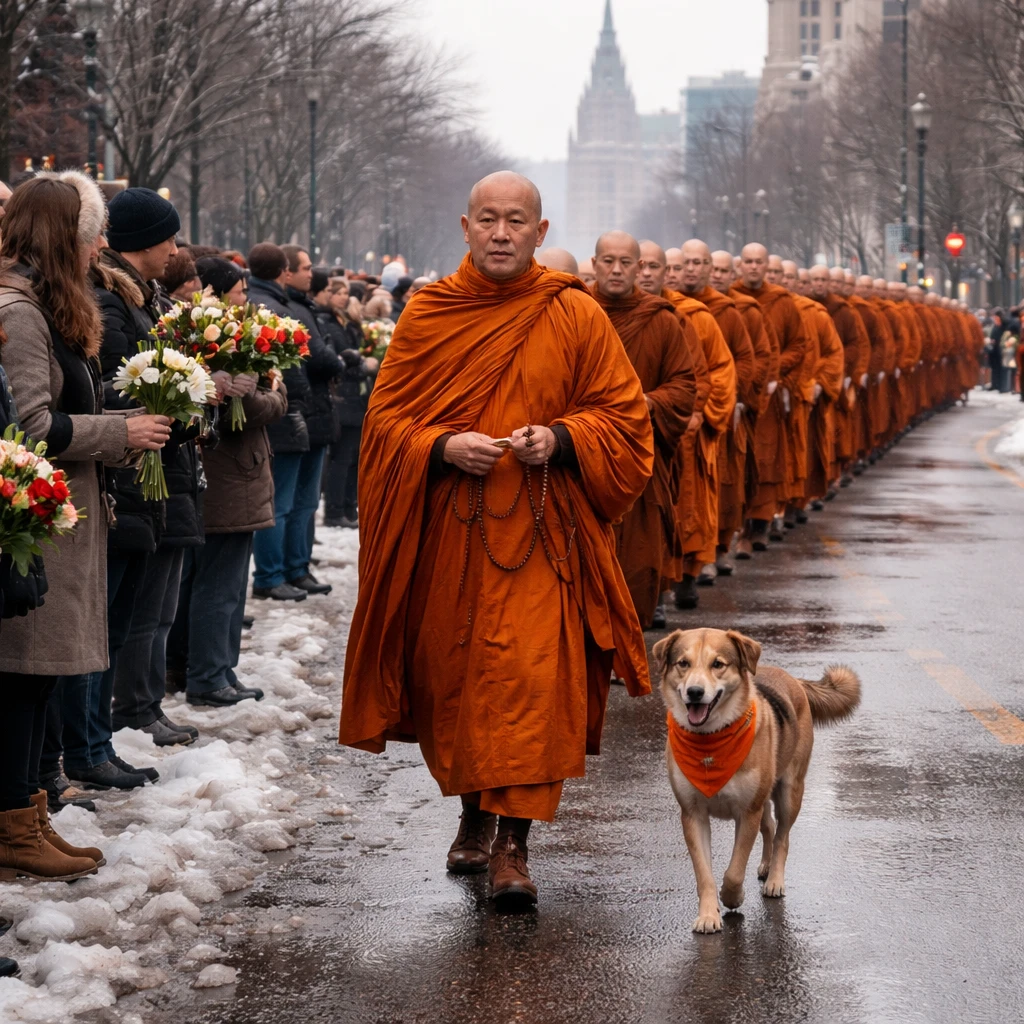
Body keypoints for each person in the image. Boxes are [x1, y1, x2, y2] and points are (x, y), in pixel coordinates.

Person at [338, 171, 654, 907]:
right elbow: (384, 424)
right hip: (453, 536)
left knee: (533, 683)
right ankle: (473, 815)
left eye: (517, 221)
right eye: (488, 219)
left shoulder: (573, 312)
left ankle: (515, 843)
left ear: (540, 233)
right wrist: (442, 445)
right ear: (466, 227)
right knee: (460, 681)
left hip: (545, 534)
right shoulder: (430, 313)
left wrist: (563, 438)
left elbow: (625, 418)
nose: (502, 233)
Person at [0, 172, 171, 879]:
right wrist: (120, 431)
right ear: (60, 238)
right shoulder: (20, 312)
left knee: (40, 680)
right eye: (89, 235)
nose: (99, 247)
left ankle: (30, 812)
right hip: (39, 524)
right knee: (25, 678)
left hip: (61, 517)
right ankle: (15, 823)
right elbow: (30, 426)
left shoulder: (42, 304)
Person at [93, 187, 207, 750]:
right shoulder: (112, 301)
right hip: (132, 473)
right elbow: (117, 385)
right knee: (133, 612)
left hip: (160, 470)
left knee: (155, 607)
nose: (176, 250)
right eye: (170, 238)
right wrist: (178, 407)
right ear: (144, 242)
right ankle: (127, 712)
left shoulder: (142, 298)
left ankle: (140, 706)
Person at [168, 256, 288, 708]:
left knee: (206, 581)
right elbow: (250, 409)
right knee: (221, 584)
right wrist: (275, 391)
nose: (246, 298)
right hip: (230, 476)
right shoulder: (214, 342)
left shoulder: (215, 337)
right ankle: (210, 675)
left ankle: (199, 668)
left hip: (226, 474)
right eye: (240, 291)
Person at [590, 231, 696, 628]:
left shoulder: (662, 320)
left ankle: (633, 630)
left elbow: (684, 386)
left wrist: (649, 403)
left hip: (642, 455)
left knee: (639, 557)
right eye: (608, 261)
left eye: (625, 262)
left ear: (638, 267)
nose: (616, 270)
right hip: (586, 455)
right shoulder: (576, 312)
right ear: (595, 264)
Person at [248, 243, 327, 601]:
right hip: (285, 412)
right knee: (281, 503)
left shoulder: (283, 304)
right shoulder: (277, 308)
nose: (311, 273)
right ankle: (273, 573)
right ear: (284, 271)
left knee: (295, 502)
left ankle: (291, 568)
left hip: (291, 411)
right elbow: (305, 363)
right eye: (306, 267)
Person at [676, 241, 759, 578]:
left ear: (709, 268)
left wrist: (726, 401)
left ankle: (719, 546)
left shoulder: (727, 311)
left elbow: (743, 360)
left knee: (722, 485)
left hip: (715, 413)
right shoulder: (664, 309)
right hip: (676, 416)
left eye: (699, 263)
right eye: (685, 263)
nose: (691, 269)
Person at [733, 244, 808, 550]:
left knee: (765, 458)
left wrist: (775, 374)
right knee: (738, 460)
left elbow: (798, 345)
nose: (753, 267)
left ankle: (761, 523)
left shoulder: (782, 301)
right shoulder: (729, 300)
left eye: (758, 262)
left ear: (766, 267)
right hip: (738, 393)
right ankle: (739, 526)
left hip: (769, 394)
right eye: (748, 261)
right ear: (740, 266)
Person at [313, 271, 374, 528]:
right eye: (336, 292)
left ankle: (349, 506)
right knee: (341, 458)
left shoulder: (345, 323)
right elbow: (338, 360)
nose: (341, 297)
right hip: (342, 397)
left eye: (344, 293)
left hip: (355, 398)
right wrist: (362, 365)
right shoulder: (326, 323)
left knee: (354, 458)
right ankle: (335, 509)